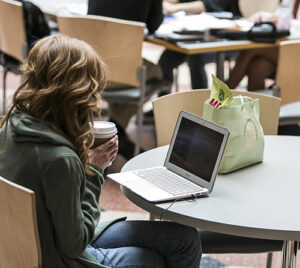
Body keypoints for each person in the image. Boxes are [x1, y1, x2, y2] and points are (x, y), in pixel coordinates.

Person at [0, 34, 202, 268]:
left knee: (184, 237)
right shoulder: (59, 161)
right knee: (150, 260)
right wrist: (95, 171)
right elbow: (74, 245)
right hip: (57, 257)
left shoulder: (12, 124)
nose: (96, 99)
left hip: (28, 244)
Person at [88, 0, 167, 160]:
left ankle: (116, 133)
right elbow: (154, 24)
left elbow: (92, 12)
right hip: (122, 72)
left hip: (91, 69)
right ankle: (118, 129)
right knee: (155, 71)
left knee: (127, 71)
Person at [159, 0, 241, 90]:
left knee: (196, 58)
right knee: (165, 60)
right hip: (194, 34)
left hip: (223, 37)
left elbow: (212, 3)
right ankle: (163, 105)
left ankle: (199, 104)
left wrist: (175, 8)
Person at [226, 0, 300, 91]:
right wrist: (265, 16)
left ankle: (220, 96)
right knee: (257, 67)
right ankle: (257, 109)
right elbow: (283, 13)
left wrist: (279, 21)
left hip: (295, 49)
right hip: (288, 45)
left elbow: (289, 23)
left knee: (253, 48)